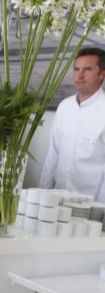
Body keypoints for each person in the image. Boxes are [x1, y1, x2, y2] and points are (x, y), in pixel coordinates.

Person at [39, 47, 105, 201]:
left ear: (102, 74)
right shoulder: (64, 106)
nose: (80, 76)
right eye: (76, 69)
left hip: (90, 206)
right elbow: (53, 157)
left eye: (87, 69)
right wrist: (42, 196)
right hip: (56, 202)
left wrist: (101, 210)